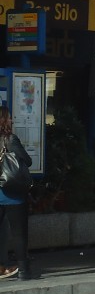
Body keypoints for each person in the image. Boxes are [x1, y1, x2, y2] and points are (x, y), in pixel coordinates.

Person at [0, 106, 34, 280]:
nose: (12, 120)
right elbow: (27, 160)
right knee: (19, 233)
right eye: (9, 117)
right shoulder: (10, 139)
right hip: (12, 194)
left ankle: (1, 267)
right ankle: (23, 270)